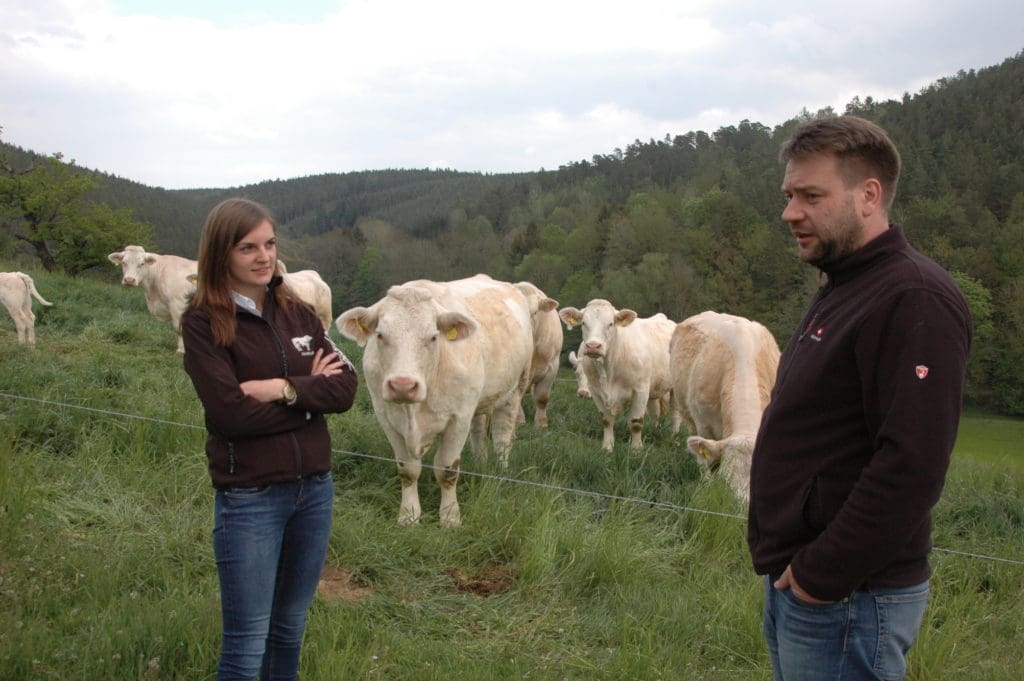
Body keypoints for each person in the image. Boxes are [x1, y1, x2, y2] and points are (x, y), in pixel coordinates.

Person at [747, 116, 972, 681]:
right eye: (789, 195)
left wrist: (821, 575)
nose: (790, 212)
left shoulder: (913, 298)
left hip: (849, 595)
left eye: (811, 196)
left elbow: (912, 464)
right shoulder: (847, 283)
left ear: (869, 195)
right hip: (811, 586)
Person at [182, 197, 358, 680]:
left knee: (289, 628)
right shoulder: (203, 322)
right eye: (247, 247)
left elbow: (345, 388)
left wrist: (281, 390)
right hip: (251, 496)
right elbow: (231, 415)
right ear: (221, 255)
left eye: (269, 243)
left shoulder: (298, 313)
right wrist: (308, 401)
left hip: (313, 492)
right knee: (246, 641)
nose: (264, 257)